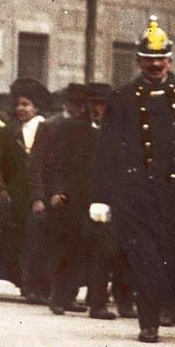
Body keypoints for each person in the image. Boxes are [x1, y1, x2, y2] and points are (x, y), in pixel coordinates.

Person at [91, 17, 175, 344]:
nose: (155, 65)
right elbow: (106, 151)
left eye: (161, 59)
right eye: (148, 59)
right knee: (145, 261)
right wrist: (100, 197)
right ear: (139, 61)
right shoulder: (122, 98)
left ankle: (170, 311)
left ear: (169, 60)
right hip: (136, 196)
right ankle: (149, 323)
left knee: (173, 259)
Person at [43, 82, 113, 318]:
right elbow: (58, 163)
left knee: (102, 250)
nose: (97, 109)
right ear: (86, 105)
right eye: (93, 104)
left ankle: (98, 303)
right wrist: (58, 190)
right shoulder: (73, 129)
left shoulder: (115, 131)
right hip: (76, 198)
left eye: (101, 105)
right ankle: (61, 297)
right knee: (73, 248)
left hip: (104, 200)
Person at [0, 77, 52, 300]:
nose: (21, 109)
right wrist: (2, 188)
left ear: (36, 107)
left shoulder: (47, 128)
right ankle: (26, 283)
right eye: (18, 104)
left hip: (41, 194)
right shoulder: (8, 132)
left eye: (26, 104)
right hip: (16, 194)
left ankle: (40, 283)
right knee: (21, 240)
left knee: (40, 241)